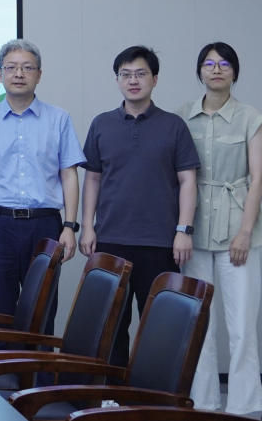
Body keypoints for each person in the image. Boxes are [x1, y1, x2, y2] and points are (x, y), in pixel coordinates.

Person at [80, 45, 200, 368]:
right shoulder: (101, 124)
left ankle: (151, 394)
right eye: (126, 74)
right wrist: (87, 226)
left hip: (160, 243)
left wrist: (184, 230)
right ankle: (112, 391)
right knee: (110, 327)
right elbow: (92, 179)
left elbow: (188, 181)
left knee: (159, 327)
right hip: (110, 241)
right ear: (117, 80)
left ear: (155, 79)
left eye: (141, 74)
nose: (133, 81)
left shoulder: (174, 126)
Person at [0, 39, 85, 344]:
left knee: (42, 314)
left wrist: (70, 226)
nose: (19, 74)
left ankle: (40, 376)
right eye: (11, 67)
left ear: (39, 75)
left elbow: (69, 175)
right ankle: (0, 374)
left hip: (45, 226)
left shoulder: (59, 119)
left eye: (27, 68)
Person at [177, 42, 262, 414]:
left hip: (237, 229)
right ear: (199, 71)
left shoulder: (250, 117)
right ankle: (202, 402)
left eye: (224, 63)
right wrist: (179, 228)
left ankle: (244, 406)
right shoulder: (182, 116)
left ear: (235, 72)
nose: (216, 69)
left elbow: (258, 178)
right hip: (194, 230)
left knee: (242, 324)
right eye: (209, 63)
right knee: (199, 321)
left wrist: (244, 232)